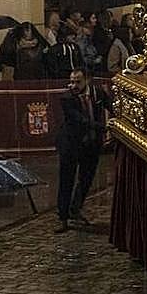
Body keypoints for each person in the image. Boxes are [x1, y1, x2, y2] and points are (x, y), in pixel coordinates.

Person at [55, 67, 112, 234]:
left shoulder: (97, 92)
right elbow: (79, 120)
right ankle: (63, 217)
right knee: (67, 180)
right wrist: (104, 127)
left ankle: (76, 208)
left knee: (86, 178)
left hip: (91, 144)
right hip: (71, 144)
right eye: (71, 81)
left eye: (77, 81)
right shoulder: (67, 97)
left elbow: (110, 106)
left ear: (87, 80)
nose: (73, 85)